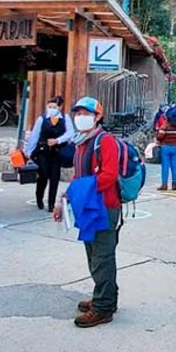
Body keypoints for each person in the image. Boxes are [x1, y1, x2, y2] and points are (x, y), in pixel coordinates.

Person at [53, 96, 121, 328]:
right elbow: (78, 176)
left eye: (86, 113)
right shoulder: (81, 142)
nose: (81, 117)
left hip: (104, 207)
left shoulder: (106, 141)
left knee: (102, 257)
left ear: (98, 116)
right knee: (93, 256)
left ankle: (103, 308)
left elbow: (109, 175)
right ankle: (104, 298)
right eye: (78, 113)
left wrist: (81, 191)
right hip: (88, 206)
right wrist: (64, 199)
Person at [23, 95, 75, 212]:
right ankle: (39, 198)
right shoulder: (42, 119)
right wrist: (29, 152)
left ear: (60, 107)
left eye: (54, 106)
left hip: (56, 151)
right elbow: (35, 135)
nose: (51, 109)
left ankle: (51, 203)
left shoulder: (65, 118)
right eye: (49, 106)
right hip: (42, 151)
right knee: (43, 175)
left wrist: (58, 140)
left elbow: (71, 134)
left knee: (55, 177)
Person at [155, 110, 176, 191]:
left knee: (165, 166)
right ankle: (174, 184)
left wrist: (160, 139)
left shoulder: (166, 125)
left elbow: (160, 136)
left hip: (165, 147)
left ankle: (164, 185)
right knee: (175, 166)